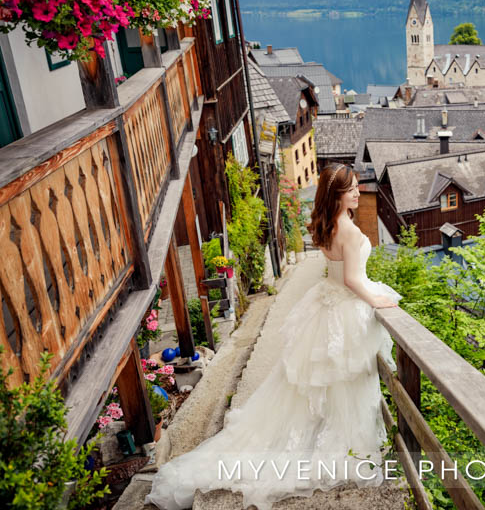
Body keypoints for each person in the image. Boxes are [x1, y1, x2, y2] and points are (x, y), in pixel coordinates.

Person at [145, 164, 401, 510]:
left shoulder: (327, 226)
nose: (358, 193)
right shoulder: (350, 232)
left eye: (356, 188)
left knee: (316, 386)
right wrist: (378, 300)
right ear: (337, 195)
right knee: (345, 385)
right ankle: (344, 447)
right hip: (344, 307)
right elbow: (354, 280)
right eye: (352, 189)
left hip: (327, 303)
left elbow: (337, 272)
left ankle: (326, 439)